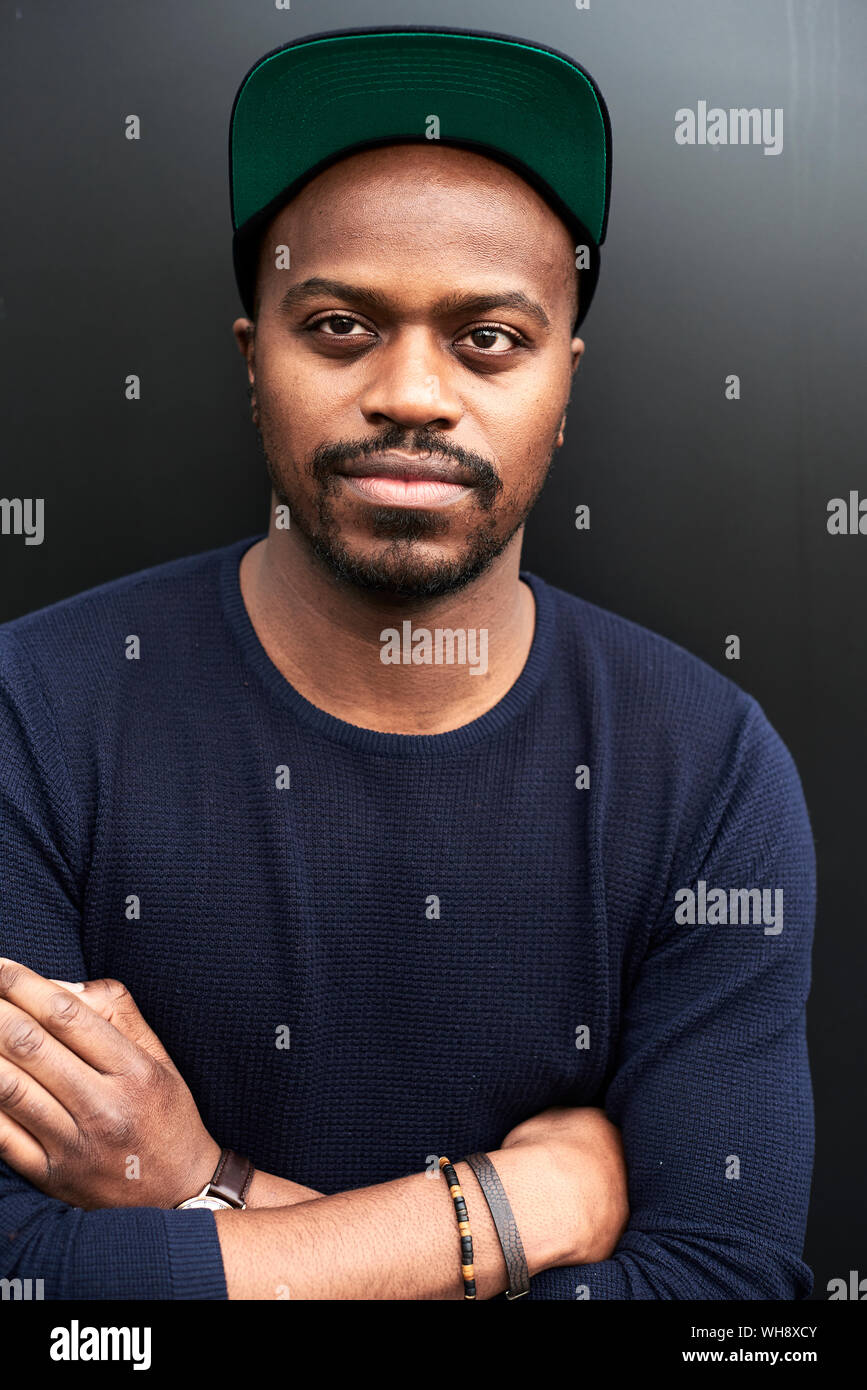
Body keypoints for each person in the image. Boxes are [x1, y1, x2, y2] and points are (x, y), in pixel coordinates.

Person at [0, 27, 814, 1300]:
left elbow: (728, 1307)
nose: (413, 393)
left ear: (565, 382)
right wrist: (522, 1205)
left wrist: (209, 1188)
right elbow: (30, 1295)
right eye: (339, 325)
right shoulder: (32, 718)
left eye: (487, 337)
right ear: (251, 357)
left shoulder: (707, 768)